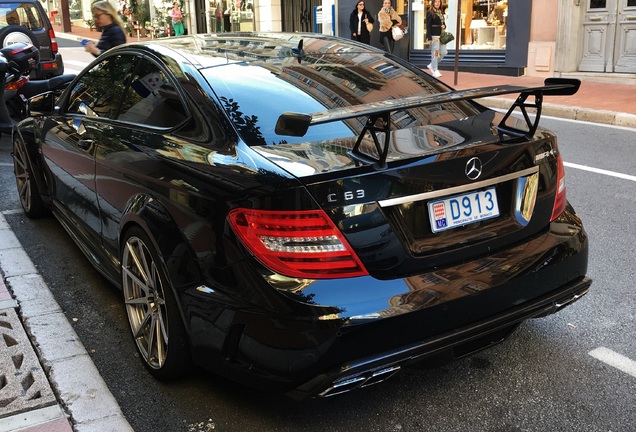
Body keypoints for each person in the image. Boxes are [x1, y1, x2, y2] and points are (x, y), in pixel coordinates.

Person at [426, 0, 447, 78]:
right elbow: (428, 25)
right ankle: (435, 70)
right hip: (434, 35)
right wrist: (428, 37)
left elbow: (443, 23)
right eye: (436, 2)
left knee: (444, 52)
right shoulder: (430, 13)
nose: (437, 3)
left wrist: (444, 25)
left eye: (439, 2)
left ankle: (432, 64)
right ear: (433, 3)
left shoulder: (440, 12)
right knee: (436, 52)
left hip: (441, 35)